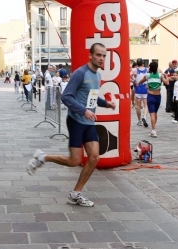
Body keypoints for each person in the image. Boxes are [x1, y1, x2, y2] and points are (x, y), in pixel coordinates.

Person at [26, 43, 116, 207]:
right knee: (74, 161)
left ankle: (76, 193)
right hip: (76, 121)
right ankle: (42, 157)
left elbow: (92, 97)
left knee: (94, 157)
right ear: (90, 55)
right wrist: (83, 111)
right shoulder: (80, 73)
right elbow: (67, 97)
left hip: (88, 122)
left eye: (104, 55)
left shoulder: (97, 75)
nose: (101, 58)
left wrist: (106, 103)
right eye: (98, 55)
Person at [137, 61, 169, 137]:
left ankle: (153, 131)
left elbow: (140, 82)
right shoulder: (160, 75)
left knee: (152, 114)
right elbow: (167, 83)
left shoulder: (148, 75)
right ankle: (153, 129)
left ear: (150, 68)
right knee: (155, 113)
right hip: (158, 96)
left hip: (150, 96)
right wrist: (166, 76)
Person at [131, 58, 148, 127]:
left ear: (137, 63)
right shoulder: (147, 69)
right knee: (146, 105)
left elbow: (128, 75)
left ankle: (139, 120)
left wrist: (134, 81)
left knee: (138, 106)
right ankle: (144, 117)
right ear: (143, 63)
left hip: (138, 89)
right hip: (145, 89)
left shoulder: (135, 70)